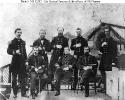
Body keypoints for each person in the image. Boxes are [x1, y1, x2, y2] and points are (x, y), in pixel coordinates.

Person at [7, 28, 27, 98]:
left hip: (21, 63)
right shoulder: (11, 42)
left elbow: (24, 52)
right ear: (15, 33)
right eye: (18, 32)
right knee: (14, 79)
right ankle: (15, 93)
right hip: (15, 63)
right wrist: (15, 52)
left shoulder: (23, 42)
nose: (19, 33)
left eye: (20, 32)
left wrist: (26, 61)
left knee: (22, 79)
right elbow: (8, 51)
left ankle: (23, 93)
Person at [97, 26, 117, 93]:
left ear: (110, 32)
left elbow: (115, 52)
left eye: (108, 31)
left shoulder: (112, 40)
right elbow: (100, 50)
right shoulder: (103, 40)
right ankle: (104, 88)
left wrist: (113, 61)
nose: (106, 33)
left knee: (108, 74)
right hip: (103, 59)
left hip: (109, 59)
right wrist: (102, 46)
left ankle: (108, 89)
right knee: (102, 73)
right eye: (105, 31)